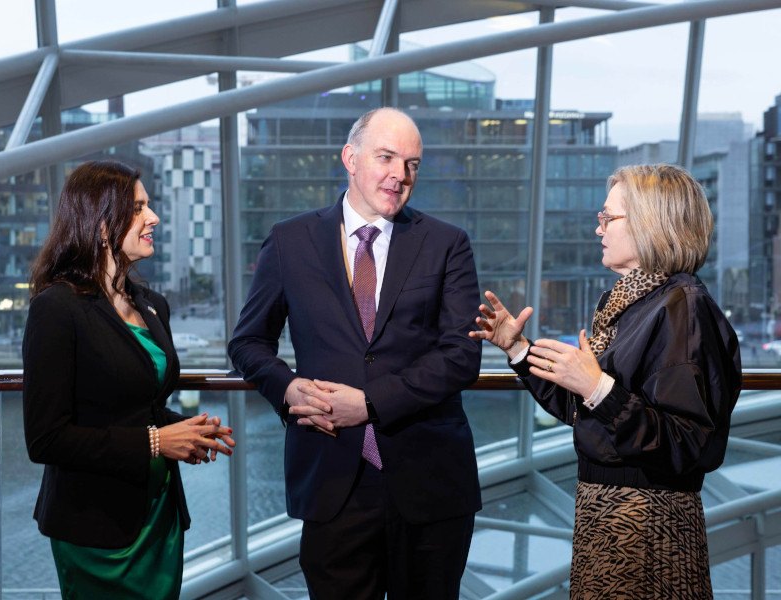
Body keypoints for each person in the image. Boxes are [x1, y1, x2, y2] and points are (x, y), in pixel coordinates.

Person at [228, 107, 482, 599]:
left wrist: (369, 403)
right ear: (350, 157)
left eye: (412, 164)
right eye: (386, 157)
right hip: (331, 480)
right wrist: (288, 388)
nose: (399, 175)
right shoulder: (289, 240)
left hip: (430, 482)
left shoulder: (447, 244)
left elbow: (460, 357)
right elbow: (247, 342)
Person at [471, 164, 741, 599]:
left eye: (607, 218)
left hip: (649, 527)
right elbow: (590, 414)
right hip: (610, 516)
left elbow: (690, 443)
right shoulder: (637, 304)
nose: (598, 229)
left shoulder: (682, 308)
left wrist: (599, 388)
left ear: (650, 222)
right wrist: (518, 350)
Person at [22, 160, 236, 599]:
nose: (153, 217)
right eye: (139, 208)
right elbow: (46, 439)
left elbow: (141, 402)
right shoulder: (56, 309)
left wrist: (190, 430)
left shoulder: (152, 304)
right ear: (102, 226)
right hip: (96, 532)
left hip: (160, 518)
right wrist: (158, 441)